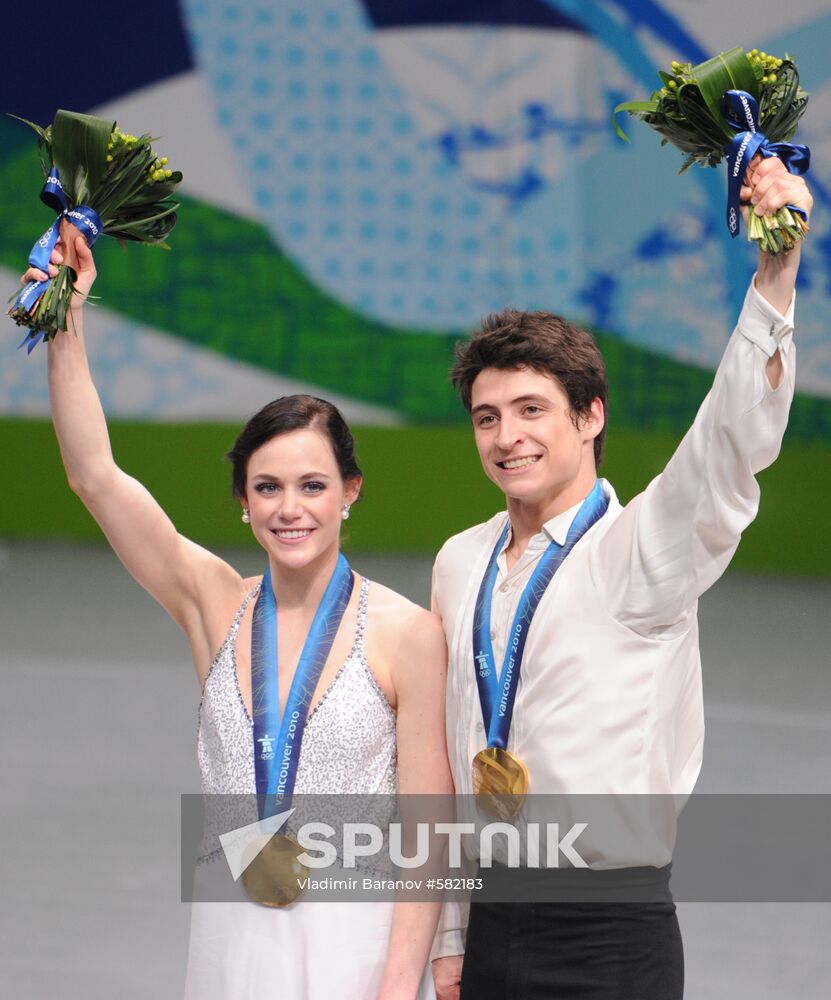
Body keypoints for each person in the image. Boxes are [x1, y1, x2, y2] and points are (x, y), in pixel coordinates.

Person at [22, 239, 453, 1000]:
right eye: (268, 487)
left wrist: (397, 988)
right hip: (229, 938)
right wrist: (66, 323)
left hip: (349, 946)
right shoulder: (213, 604)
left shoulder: (406, 632)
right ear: (243, 500)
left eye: (313, 485)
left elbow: (427, 838)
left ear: (350, 491)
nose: (291, 508)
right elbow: (93, 476)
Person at [429, 156, 813, 999]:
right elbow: (454, 758)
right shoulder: (461, 561)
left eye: (531, 410)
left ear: (589, 415)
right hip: (489, 922)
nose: (506, 438)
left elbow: (725, 450)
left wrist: (775, 276)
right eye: (486, 417)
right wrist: (449, 936)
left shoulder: (641, 550)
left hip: (611, 935)